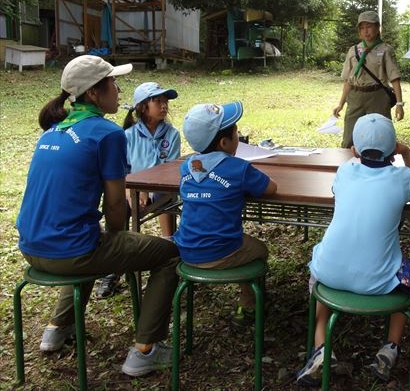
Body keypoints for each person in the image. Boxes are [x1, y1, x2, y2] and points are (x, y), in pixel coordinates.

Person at [15, 55, 180, 377]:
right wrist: (118, 235)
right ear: (94, 93)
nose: (118, 90)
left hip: (31, 248)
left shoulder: (52, 130)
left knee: (91, 242)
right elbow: (117, 205)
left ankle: (56, 329)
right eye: (113, 83)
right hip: (71, 252)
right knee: (170, 255)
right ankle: (145, 350)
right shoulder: (107, 134)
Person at [296, 113, 410, 386]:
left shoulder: (344, 171)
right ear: (394, 148)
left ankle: (320, 348)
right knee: (409, 277)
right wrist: (408, 154)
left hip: (329, 273)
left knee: (319, 274)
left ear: (354, 149)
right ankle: (390, 348)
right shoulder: (403, 178)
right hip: (378, 280)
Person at [174, 102, 277, 322]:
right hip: (221, 251)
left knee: (240, 243)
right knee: (260, 249)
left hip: (186, 250)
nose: (239, 135)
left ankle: (246, 300)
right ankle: (249, 303)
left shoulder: (187, 166)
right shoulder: (238, 168)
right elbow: (270, 188)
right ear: (224, 142)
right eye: (236, 132)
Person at [95, 81, 181, 299]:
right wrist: (129, 190)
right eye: (158, 101)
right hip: (130, 188)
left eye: (165, 102)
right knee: (117, 208)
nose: (164, 106)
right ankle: (111, 270)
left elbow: (170, 169)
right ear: (143, 107)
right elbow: (121, 172)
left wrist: (146, 188)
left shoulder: (172, 135)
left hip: (161, 188)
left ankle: (170, 248)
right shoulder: (127, 136)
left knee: (169, 200)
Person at [333, 10, 405, 149]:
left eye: (369, 27)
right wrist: (341, 104)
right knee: (349, 137)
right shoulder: (353, 51)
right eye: (362, 28)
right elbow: (348, 80)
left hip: (377, 97)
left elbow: (395, 78)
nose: (366, 31)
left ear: (378, 28)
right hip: (355, 97)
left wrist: (399, 104)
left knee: (381, 136)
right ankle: (349, 167)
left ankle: (382, 167)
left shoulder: (385, 50)